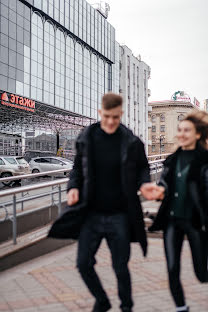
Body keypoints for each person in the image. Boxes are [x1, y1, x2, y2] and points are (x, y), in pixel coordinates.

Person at [66, 93, 160, 312]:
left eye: (115, 117)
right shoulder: (87, 137)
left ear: (121, 114)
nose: (110, 122)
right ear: (100, 113)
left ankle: (126, 307)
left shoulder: (132, 141)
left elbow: (143, 168)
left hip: (120, 215)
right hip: (92, 214)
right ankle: (102, 300)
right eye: (107, 116)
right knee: (83, 264)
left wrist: (145, 183)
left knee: (120, 266)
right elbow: (77, 169)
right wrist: (72, 188)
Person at [149, 110, 208, 312]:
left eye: (187, 130)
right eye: (180, 130)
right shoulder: (172, 160)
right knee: (172, 268)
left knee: (202, 273)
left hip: (195, 221)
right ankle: (181, 308)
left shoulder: (204, 161)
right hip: (172, 220)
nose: (181, 134)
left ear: (198, 134)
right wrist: (159, 190)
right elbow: (165, 183)